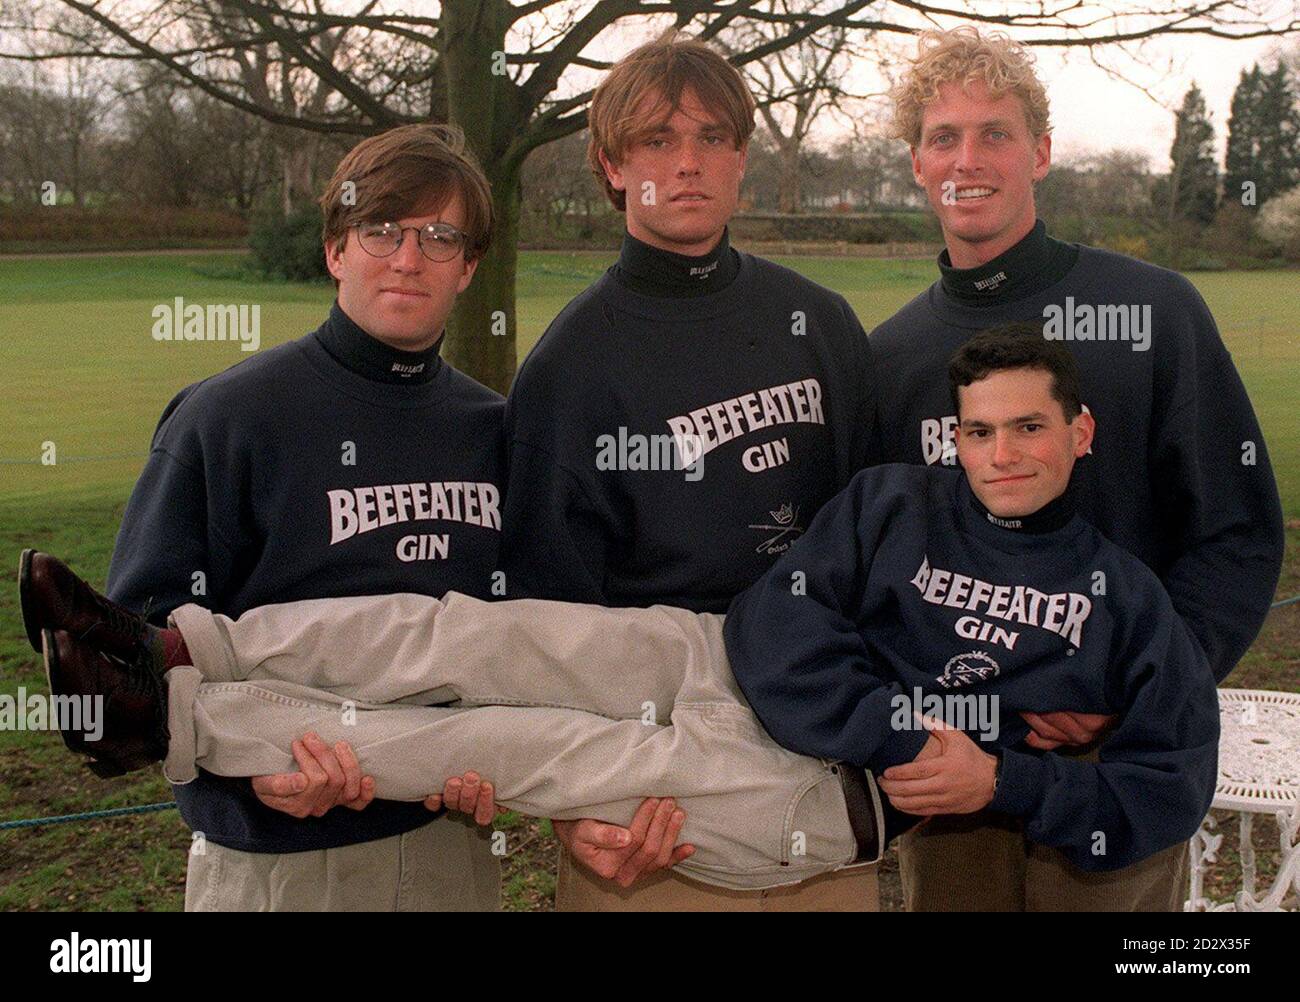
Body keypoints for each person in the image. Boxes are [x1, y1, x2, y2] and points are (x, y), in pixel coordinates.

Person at [28, 325, 1219, 902]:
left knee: (491, 745)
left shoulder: (1124, 605)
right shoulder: (894, 502)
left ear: (1080, 433)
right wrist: (929, 728)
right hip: (718, 662)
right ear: (950, 436)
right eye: (978, 429)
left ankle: (170, 728)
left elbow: (1166, 786)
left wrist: (1003, 784)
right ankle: (177, 649)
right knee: (468, 631)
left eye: (1027, 428)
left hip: (811, 795)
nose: (1001, 453)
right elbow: (779, 622)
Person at [869, 26, 1283, 911]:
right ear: (915, 161)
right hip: (957, 761)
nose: (968, 159)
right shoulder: (894, 356)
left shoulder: (1153, 312)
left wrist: (1135, 683)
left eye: (996, 133)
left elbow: (1236, 532)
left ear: (1043, 152)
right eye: (944, 137)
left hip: (1117, 762)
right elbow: (877, 568)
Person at [74, 124, 507, 911]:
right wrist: (251, 782)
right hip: (278, 867)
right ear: (336, 249)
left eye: (440, 237)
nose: (408, 258)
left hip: (449, 854)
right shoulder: (228, 418)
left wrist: (496, 759)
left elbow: (521, 638)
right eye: (381, 230)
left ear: (469, 266)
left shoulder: (497, 433)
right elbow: (137, 646)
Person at [499, 30, 881, 910]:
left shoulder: (817, 322)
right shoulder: (570, 365)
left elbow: (883, 540)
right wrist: (576, 797)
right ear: (609, 166)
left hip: (818, 764)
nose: (688, 163)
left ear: (743, 157)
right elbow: (545, 613)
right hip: (655, 794)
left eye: (713, 137)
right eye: (657, 141)